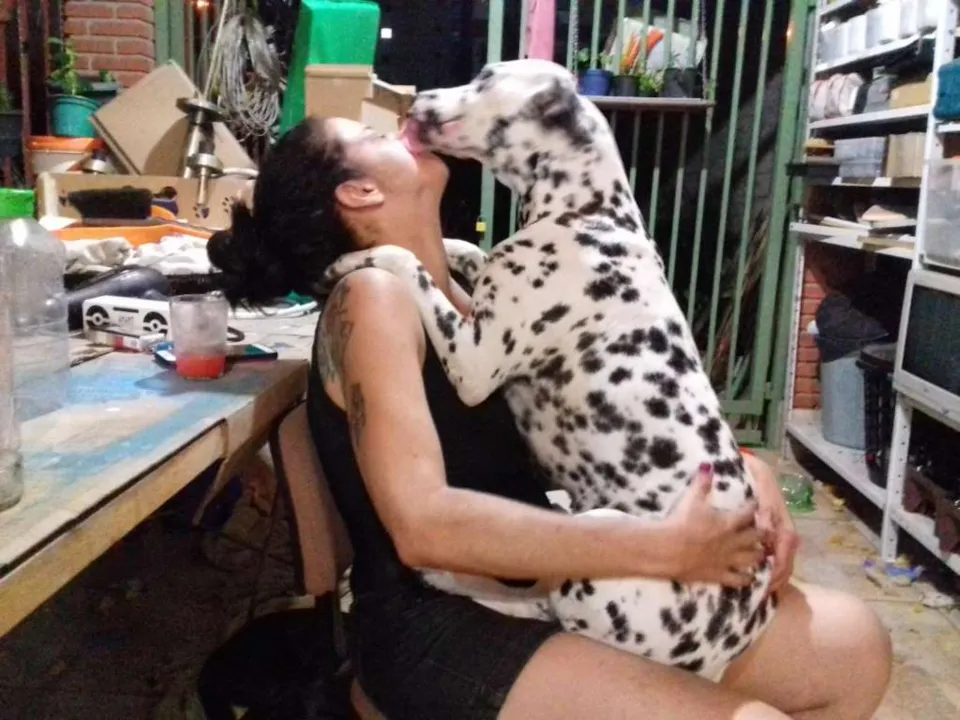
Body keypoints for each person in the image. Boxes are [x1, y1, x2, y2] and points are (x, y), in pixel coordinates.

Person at [208, 117, 891, 720]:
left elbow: (613, 416)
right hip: (438, 621)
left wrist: (742, 471)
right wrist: (662, 548)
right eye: (376, 135)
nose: (408, 126)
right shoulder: (372, 297)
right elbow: (423, 527)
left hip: (552, 579)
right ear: (359, 192)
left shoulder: (474, 282)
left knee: (856, 650)